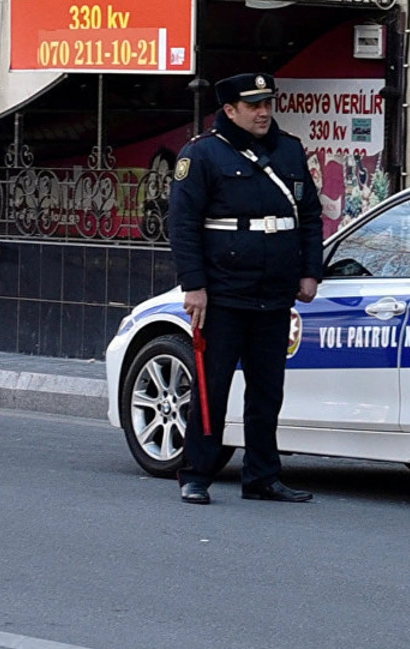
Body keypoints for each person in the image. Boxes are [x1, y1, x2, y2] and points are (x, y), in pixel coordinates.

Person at [168, 72, 324, 505]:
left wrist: (310, 271)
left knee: (267, 388)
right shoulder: (203, 155)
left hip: (274, 290)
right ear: (230, 111)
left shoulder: (289, 150)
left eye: (267, 104)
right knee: (211, 385)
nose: (263, 112)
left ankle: (262, 476)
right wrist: (194, 285)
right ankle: (197, 472)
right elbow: (182, 225)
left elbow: (309, 216)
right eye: (253, 106)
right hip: (223, 291)